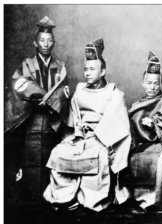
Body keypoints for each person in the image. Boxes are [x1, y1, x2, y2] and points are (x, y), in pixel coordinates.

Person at [43, 38, 131, 213]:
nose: (87, 73)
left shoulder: (114, 94)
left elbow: (119, 125)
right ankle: (65, 197)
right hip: (80, 136)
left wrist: (98, 138)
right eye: (85, 69)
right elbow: (73, 117)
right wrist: (64, 98)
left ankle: (92, 199)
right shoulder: (80, 91)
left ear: (103, 71)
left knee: (98, 156)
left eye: (92, 69)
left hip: (102, 139)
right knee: (59, 152)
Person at [4, 16, 70, 203]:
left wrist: (50, 102)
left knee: (52, 163)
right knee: (30, 161)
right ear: (35, 42)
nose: (46, 44)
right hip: (30, 121)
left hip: (51, 123)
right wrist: (39, 96)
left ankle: (52, 200)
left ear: (54, 42)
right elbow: (19, 84)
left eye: (49, 40)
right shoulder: (27, 64)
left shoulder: (60, 67)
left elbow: (64, 92)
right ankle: (31, 201)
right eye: (42, 40)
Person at [123, 51, 162, 213]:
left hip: (160, 144)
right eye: (149, 83)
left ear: (161, 82)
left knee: (160, 159)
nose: (152, 87)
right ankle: (133, 199)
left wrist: (155, 122)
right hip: (139, 145)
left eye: (156, 83)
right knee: (124, 155)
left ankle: (156, 202)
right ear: (142, 83)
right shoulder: (135, 106)